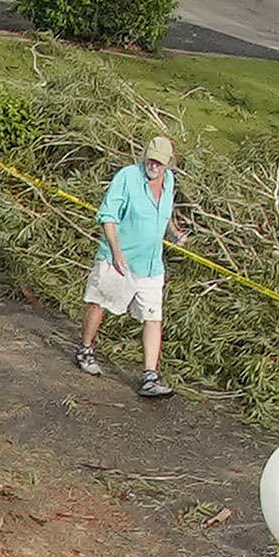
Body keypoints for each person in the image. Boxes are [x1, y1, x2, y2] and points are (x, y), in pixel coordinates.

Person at [79, 131, 178, 399]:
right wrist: (116, 251)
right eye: (150, 159)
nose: (153, 165)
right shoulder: (127, 178)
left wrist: (175, 233)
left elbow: (164, 215)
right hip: (117, 260)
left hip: (151, 265)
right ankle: (85, 349)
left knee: (153, 317)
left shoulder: (169, 183)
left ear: (167, 164)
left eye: (158, 162)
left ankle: (149, 375)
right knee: (99, 303)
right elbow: (107, 216)